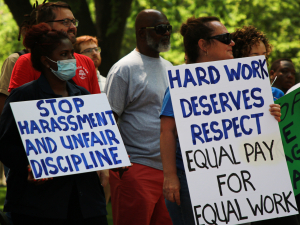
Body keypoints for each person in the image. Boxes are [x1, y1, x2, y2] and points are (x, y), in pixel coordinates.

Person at [160, 16, 283, 225]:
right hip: (191, 181)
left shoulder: (243, 83)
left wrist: (271, 116)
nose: (232, 43)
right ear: (203, 45)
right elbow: (167, 132)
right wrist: (170, 176)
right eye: (225, 38)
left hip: (235, 182)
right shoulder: (182, 86)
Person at [0, 23, 108, 225]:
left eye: (72, 54)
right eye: (64, 54)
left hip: (86, 203)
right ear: (46, 61)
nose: (71, 60)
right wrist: (28, 166)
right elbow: (5, 145)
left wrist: (112, 157)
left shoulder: (83, 95)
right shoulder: (24, 96)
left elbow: (95, 140)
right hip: (40, 205)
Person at [105, 9, 173, 225]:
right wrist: (118, 165)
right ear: (142, 33)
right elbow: (107, 121)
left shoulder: (171, 68)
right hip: (136, 168)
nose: (167, 33)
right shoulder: (124, 69)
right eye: (161, 29)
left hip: (168, 171)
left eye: (169, 29)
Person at [8, 1, 100, 95]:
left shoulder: (87, 62)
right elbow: (17, 106)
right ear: (45, 25)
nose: (72, 27)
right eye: (66, 22)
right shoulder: (26, 61)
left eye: (73, 22)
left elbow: (96, 105)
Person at [232, 25, 284, 101]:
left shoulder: (276, 94)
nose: (261, 60)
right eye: (255, 55)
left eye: (264, 55)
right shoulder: (228, 95)